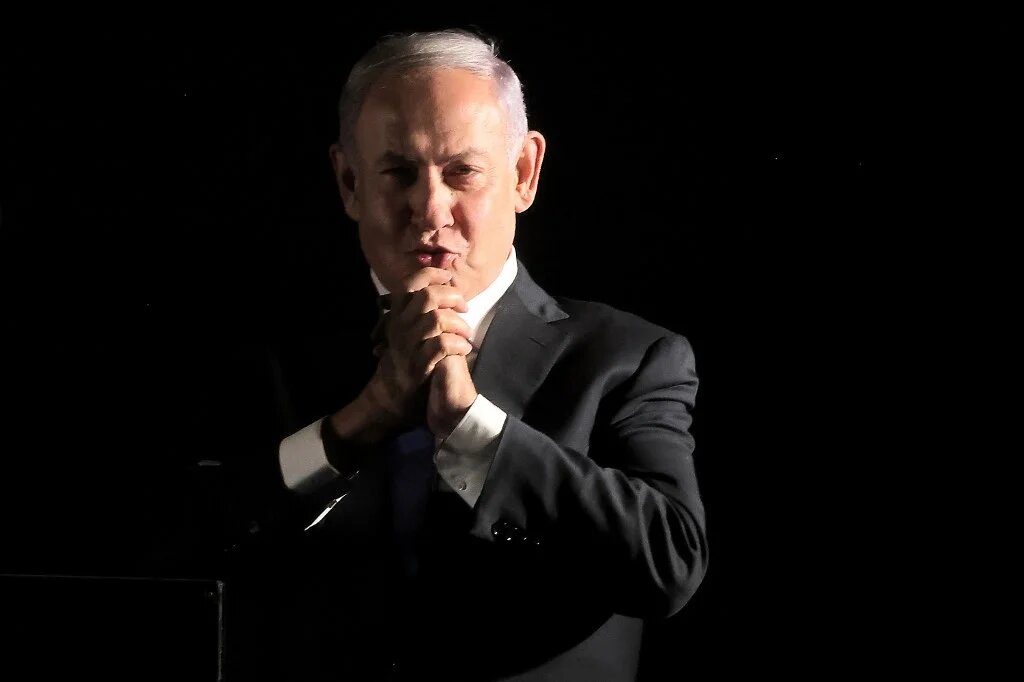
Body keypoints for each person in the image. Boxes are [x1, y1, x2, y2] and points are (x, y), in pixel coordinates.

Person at [228, 27, 708, 681]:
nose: (431, 210)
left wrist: (472, 428)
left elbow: (670, 564)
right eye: (398, 172)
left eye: (463, 172)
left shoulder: (628, 357)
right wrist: (351, 427)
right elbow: (172, 553)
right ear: (348, 181)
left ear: (523, 173)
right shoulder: (265, 359)